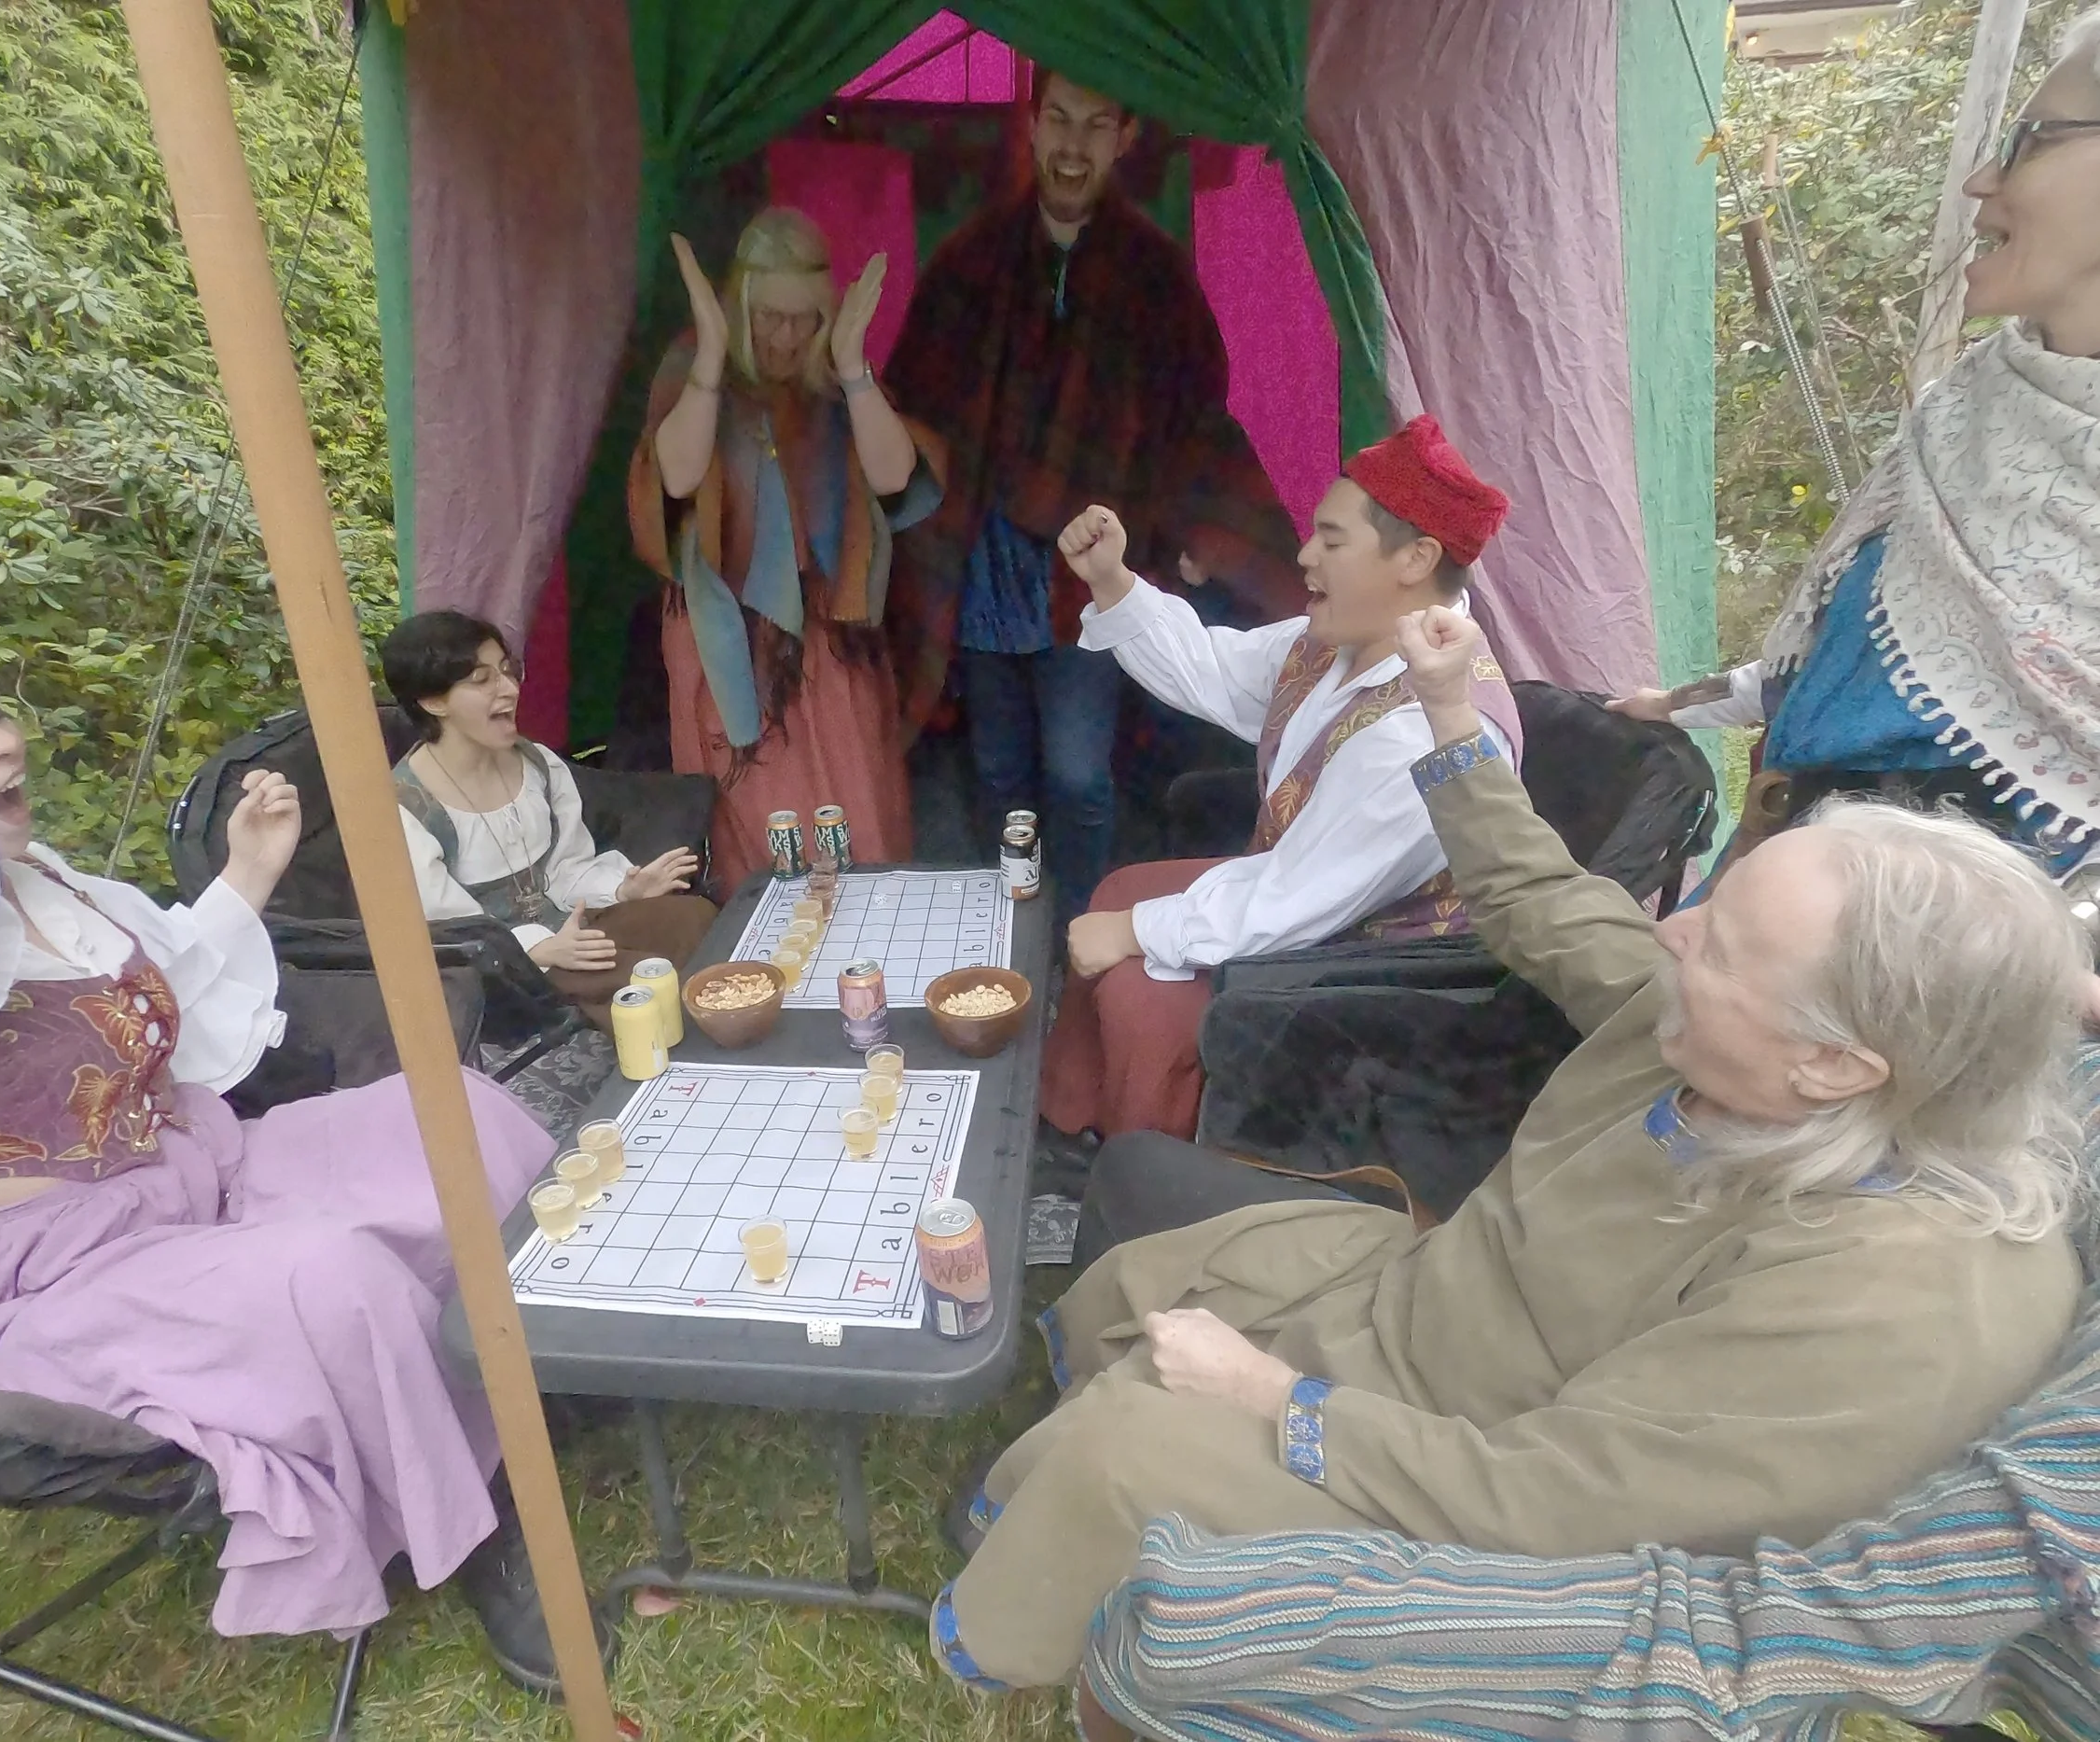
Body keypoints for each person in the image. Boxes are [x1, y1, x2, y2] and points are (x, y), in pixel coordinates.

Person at [928, 604, 2087, 1693]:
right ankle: (1026, 1515)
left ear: (1838, 1064)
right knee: (1147, 1274)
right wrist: (1445, 709)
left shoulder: (1892, 1295)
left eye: (1723, 945)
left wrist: (1277, 1398)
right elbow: (1540, 897)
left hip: (1462, 1470)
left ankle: (1008, 1628)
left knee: (1130, 1446)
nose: (1671, 932)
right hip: (1420, 1294)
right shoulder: (1713, 1031)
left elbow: (1568, 1501)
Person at [0, 611, 584, 1694]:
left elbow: (173, 986)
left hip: (202, 1164)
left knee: (460, 1120)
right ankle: (480, 1522)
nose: (4, 742)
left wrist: (248, 872)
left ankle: (526, 1368)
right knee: (326, 1281)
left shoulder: (44, 877)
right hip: (59, 1267)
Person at [1608, 10, 2100, 871]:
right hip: (1770, 920)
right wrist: (1676, 704)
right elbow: (1861, 654)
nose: (1980, 181)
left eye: (2027, 141)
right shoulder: (1970, 409)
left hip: (1972, 986)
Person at [883, 69, 1305, 921]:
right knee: (999, 766)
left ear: (1125, 139)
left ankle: (1078, 927)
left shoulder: (1155, 276)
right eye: (1059, 121)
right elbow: (917, 410)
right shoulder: (970, 261)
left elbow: (1194, 417)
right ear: (1032, 129)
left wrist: (1199, 523)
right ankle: (1013, 924)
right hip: (988, 564)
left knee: (1077, 773)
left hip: (1091, 571)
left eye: (1096, 125)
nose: (1074, 145)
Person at [1040, 415, 1525, 1144]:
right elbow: (1213, 670)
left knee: (1143, 990)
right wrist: (1113, 581)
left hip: (1370, 971)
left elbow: (1297, 901)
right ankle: (1069, 1120)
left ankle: (1148, 1182)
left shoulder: (1421, 732)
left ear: (1416, 558)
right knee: (1120, 892)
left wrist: (1137, 934)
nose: (1303, 555)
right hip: (1307, 897)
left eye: (1331, 541)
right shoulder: (1343, 642)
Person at [628, 207, 944, 899]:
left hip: (830, 637)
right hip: (730, 643)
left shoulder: (831, 378)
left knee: (861, 821)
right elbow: (675, 476)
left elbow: (895, 476)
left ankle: (867, 972)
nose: (788, 334)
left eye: (806, 318)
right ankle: (774, 979)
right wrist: (713, 353)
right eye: (771, 316)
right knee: (763, 833)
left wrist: (855, 368)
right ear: (740, 305)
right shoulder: (693, 363)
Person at [382, 609, 716, 1026]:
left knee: (691, 918)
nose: (509, 689)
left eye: (507, 671)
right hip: (499, 968)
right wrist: (539, 950)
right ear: (433, 701)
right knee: (647, 978)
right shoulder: (405, 808)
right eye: (482, 680)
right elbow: (452, 933)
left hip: (569, 928)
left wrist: (624, 890)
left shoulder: (537, 763)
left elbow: (567, 868)